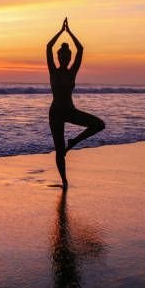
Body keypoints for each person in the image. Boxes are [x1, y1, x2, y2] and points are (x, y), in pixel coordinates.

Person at [47, 18, 105, 189]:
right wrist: (60, 31)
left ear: (70, 57)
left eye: (67, 55)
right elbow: (48, 47)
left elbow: (80, 49)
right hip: (56, 113)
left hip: (70, 110)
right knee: (59, 150)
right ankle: (64, 182)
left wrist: (69, 32)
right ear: (58, 57)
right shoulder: (53, 71)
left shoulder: (72, 71)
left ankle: (73, 142)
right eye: (61, 55)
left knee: (99, 124)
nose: (64, 57)